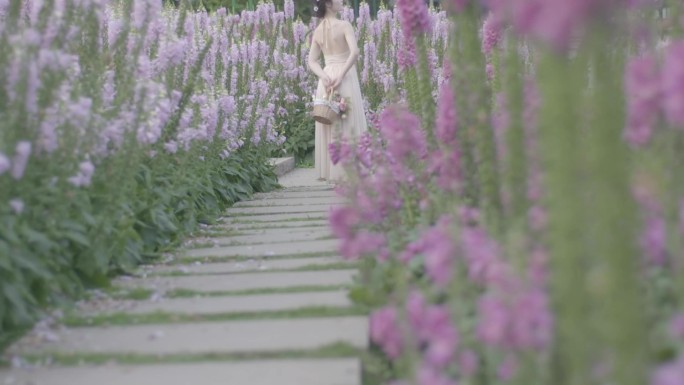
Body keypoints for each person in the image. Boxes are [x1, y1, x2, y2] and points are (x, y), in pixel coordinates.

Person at [307, 0, 368, 183]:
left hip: (326, 78)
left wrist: (323, 76)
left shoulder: (317, 31)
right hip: (344, 76)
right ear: (329, 4)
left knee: (329, 122)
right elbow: (355, 52)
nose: (342, 1)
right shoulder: (344, 25)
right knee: (347, 122)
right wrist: (341, 75)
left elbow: (312, 61)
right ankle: (350, 171)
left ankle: (332, 170)